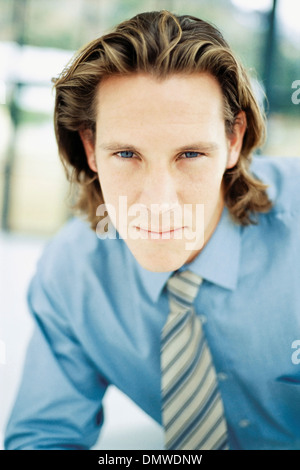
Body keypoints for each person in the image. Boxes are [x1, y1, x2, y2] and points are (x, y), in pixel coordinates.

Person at [4, 10, 300, 450]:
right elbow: (44, 437)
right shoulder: (74, 271)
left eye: (191, 155)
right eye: (126, 154)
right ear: (89, 146)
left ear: (234, 140)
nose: (158, 204)